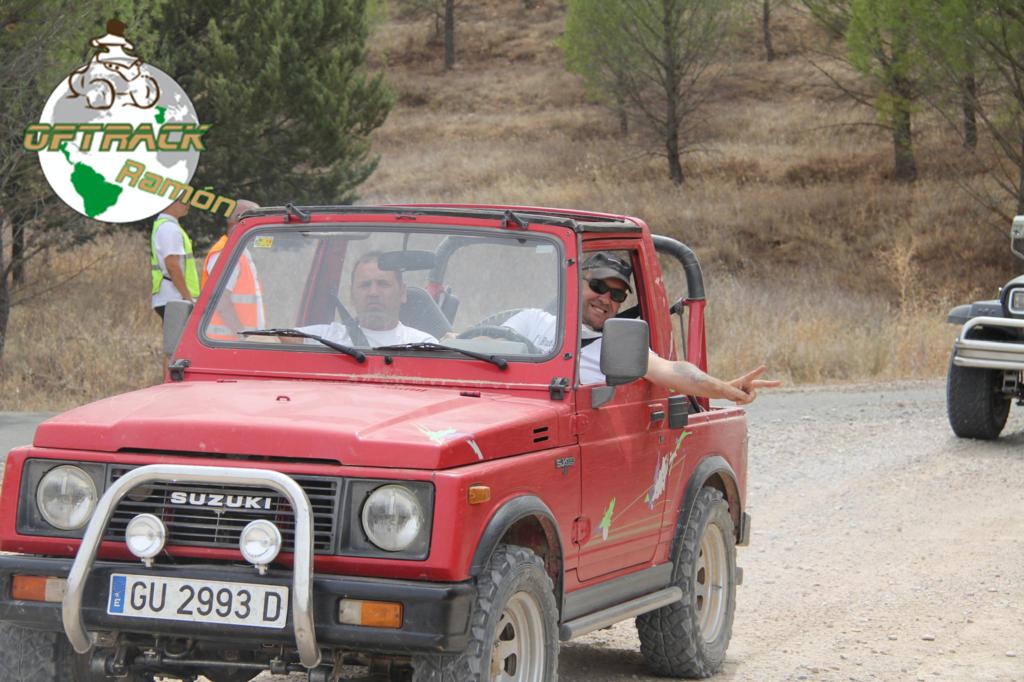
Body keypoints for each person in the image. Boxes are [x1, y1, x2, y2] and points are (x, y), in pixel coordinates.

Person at [503, 252, 779, 404]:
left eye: (617, 295)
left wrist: (726, 389)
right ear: (575, 283)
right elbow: (486, 346)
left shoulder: (618, 344)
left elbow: (673, 370)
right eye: (598, 286)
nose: (606, 299)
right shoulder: (533, 320)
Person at [293, 251, 437, 347]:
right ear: (351, 294)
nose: (373, 292)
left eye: (383, 284)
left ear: (402, 293)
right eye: (365, 285)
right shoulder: (327, 337)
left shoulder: (422, 344)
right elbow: (279, 339)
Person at [203, 200, 264, 339]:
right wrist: (243, 336)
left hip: (237, 343)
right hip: (226, 343)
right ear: (239, 220)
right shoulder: (226, 253)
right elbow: (221, 302)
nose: (261, 224)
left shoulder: (239, 250)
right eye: (257, 219)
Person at [150, 196, 199, 319]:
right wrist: (188, 299)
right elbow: (172, 266)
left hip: (172, 298)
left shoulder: (166, 226)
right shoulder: (169, 228)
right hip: (176, 299)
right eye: (184, 200)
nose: (188, 204)